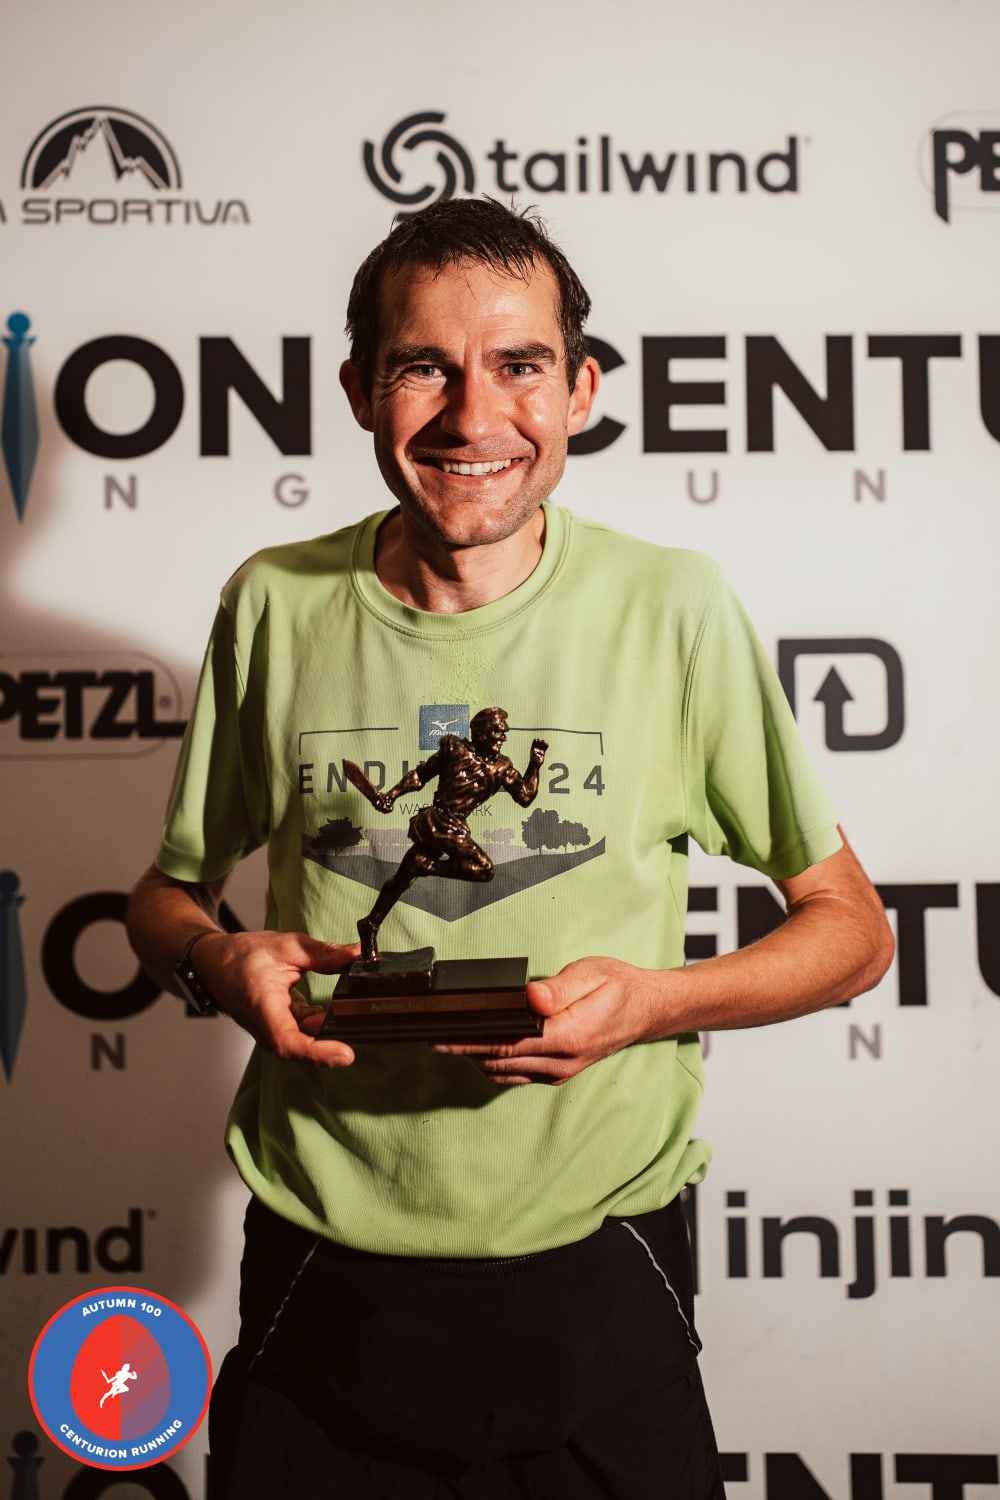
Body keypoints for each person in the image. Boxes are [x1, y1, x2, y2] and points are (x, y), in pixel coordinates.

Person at [127, 196, 893, 1498]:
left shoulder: (673, 606)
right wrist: (218, 961)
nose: (473, 416)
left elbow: (854, 930)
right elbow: (165, 897)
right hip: (323, 1273)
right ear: (361, 390)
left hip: (602, 1267)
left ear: (581, 389)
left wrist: (654, 1003)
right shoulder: (273, 603)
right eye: (424, 366)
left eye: (520, 365)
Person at [353, 706, 548, 963]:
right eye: (497, 731)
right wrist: (391, 795)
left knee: (403, 877)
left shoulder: (502, 767)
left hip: (456, 824)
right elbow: (420, 775)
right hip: (438, 820)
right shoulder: (455, 749)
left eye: (504, 732)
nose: (503, 736)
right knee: (483, 868)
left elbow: (525, 796)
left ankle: (370, 924)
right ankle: (426, 867)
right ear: (480, 733)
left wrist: (534, 764)